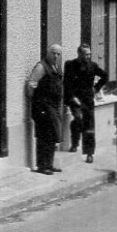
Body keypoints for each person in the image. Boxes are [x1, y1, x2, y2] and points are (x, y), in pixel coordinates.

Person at [63, 44, 109, 163]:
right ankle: (74, 142)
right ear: (79, 54)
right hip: (75, 98)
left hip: (88, 99)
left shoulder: (92, 66)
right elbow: (66, 83)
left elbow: (105, 76)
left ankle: (89, 153)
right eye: (85, 54)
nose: (88, 57)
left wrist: (95, 89)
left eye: (89, 54)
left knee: (89, 126)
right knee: (78, 119)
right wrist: (72, 97)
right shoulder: (70, 65)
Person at [25, 44, 66, 174]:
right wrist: (36, 101)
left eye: (58, 54)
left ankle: (49, 164)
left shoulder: (57, 67)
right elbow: (31, 84)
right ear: (48, 53)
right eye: (53, 53)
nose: (56, 56)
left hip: (53, 106)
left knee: (53, 135)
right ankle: (42, 165)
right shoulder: (41, 67)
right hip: (43, 107)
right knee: (44, 136)